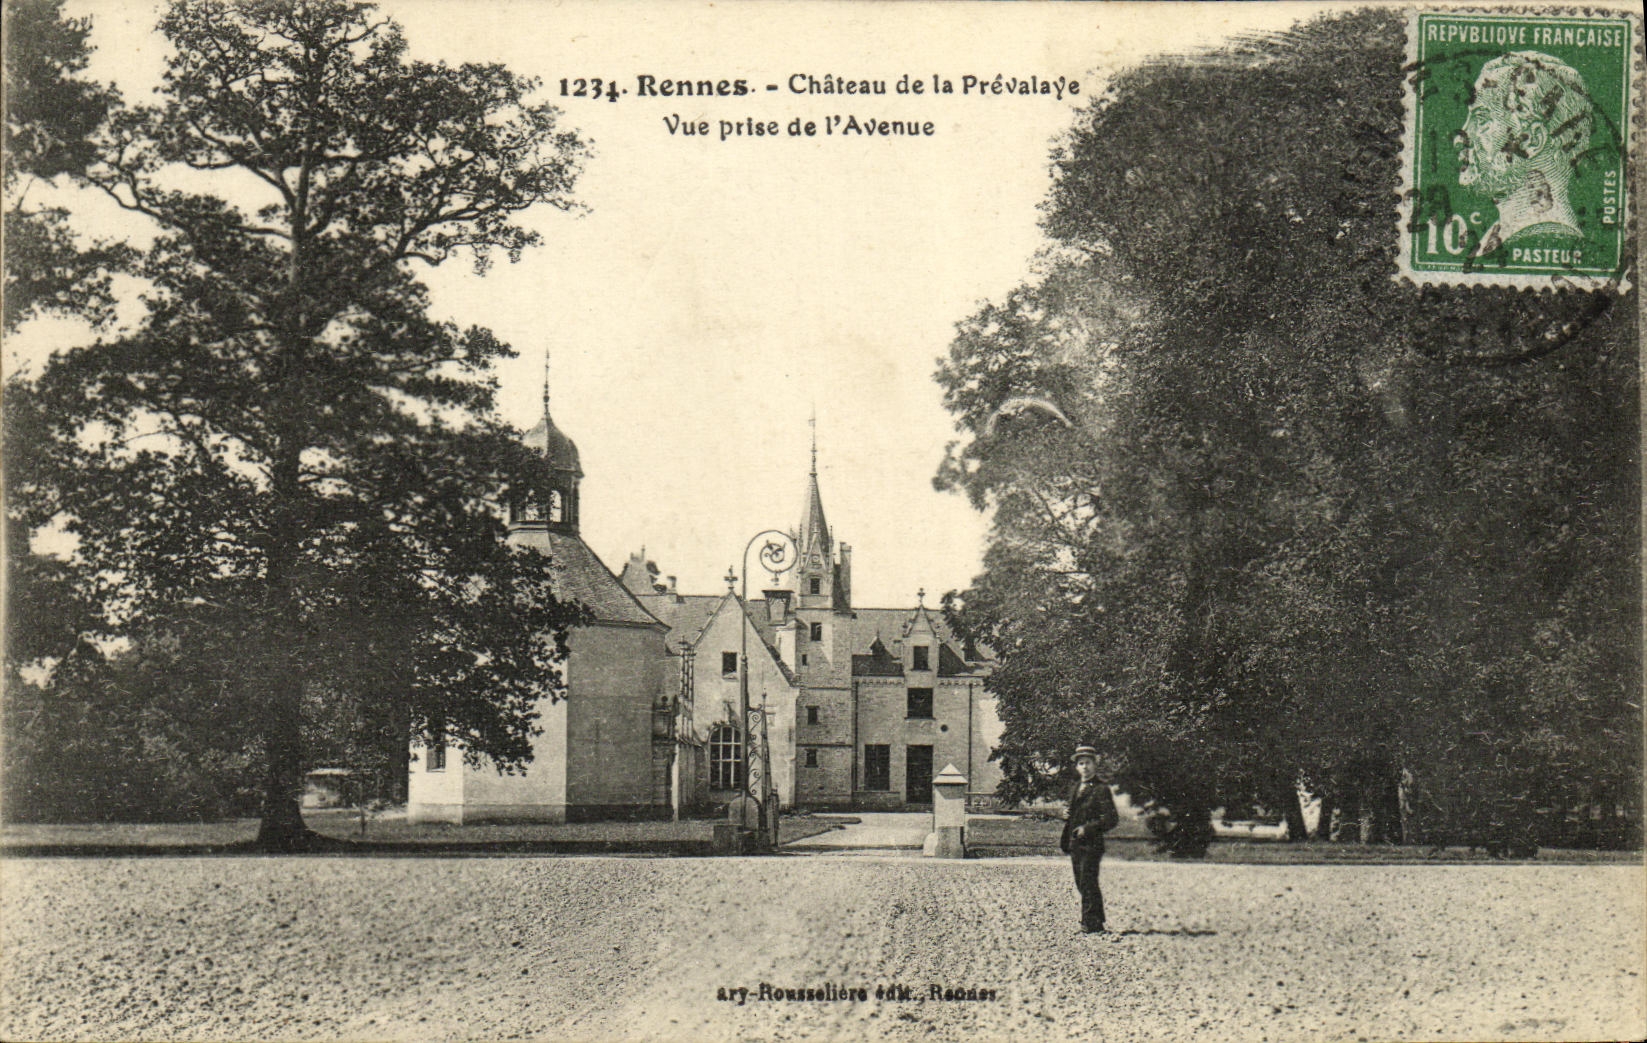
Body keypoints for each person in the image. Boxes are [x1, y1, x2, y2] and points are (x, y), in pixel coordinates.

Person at [1454, 51, 1596, 255]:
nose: (1461, 136)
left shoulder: (1544, 241)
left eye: (1483, 121)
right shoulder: (1499, 237)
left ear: (1531, 141)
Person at [1060, 745, 1120, 934]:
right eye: (1081, 763)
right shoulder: (1076, 788)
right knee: (1081, 882)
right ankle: (1095, 920)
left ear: (1095, 765)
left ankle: (1091, 924)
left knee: (1088, 881)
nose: (1084, 767)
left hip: (1092, 844)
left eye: (1088, 763)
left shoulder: (1101, 789)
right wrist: (1065, 814)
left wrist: (1088, 828)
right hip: (1075, 843)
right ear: (1077, 767)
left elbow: (1111, 818)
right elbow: (1074, 814)